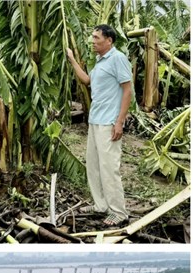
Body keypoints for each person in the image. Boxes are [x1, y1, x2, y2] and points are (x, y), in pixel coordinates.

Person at [66, 24, 133, 226]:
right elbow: (87, 81)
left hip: (109, 122)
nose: (92, 41)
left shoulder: (118, 59)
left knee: (109, 167)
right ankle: (101, 205)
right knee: (93, 166)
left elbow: (127, 90)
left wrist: (119, 122)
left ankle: (118, 212)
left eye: (96, 38)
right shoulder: (100, 61)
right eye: (92, 37)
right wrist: (71, 59)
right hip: (95, 121)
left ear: (109, 40)